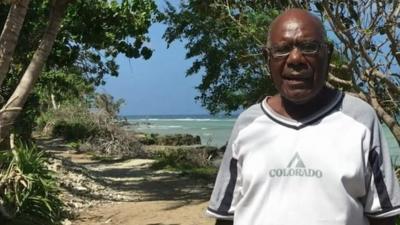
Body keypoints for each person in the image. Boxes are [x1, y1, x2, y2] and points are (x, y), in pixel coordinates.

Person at [206, 8, 400, 225]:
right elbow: (226, 218)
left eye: (309, 47)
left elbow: (383, 218)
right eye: (282, 49)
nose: (296, 59)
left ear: (328, 54)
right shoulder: (247, 125)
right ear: (266, 58)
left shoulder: (360, 119)